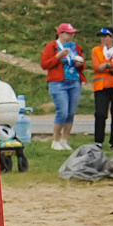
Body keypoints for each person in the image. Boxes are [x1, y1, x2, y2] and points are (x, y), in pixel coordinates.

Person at [40, 22, 85, 151]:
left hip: (74, 81)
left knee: (71, 113)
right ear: (60, 33)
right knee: (62, 111)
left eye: (72, 34)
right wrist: (58, 56)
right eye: (68, 33)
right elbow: (44, 64)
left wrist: (80, 64)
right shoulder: (51, 46)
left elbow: (82, 63)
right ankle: (55, 141)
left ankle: (65, 140)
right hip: (58, 83)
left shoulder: (76, 47)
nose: (70, 36)